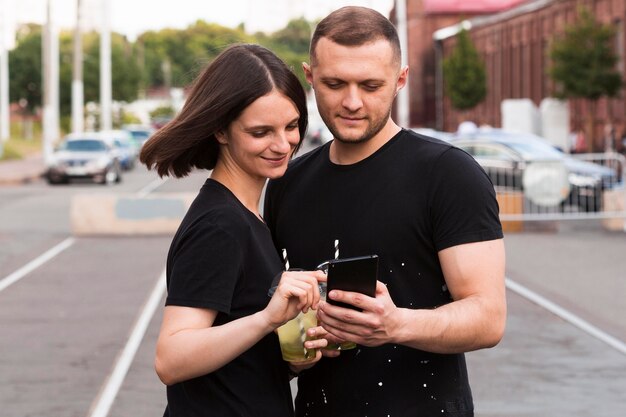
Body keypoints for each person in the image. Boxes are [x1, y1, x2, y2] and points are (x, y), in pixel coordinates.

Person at [264, 7, 506, 417]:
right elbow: (279, 311)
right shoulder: (287, 181)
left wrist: (395, 324)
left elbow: (488, 317)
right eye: (335, 83)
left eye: (371, 85)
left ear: (401, 80)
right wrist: (293, 351)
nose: (352, 102)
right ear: (309, 77)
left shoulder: (448, 174)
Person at [140, 43, 327, 417]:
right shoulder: (219, 226)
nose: (282, 144)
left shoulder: (247, 216)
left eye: (291, 126)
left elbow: (232, 368)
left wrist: (292, 359)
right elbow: (172, 358)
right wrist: (267, 319)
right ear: (221, 131)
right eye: (261, 132)